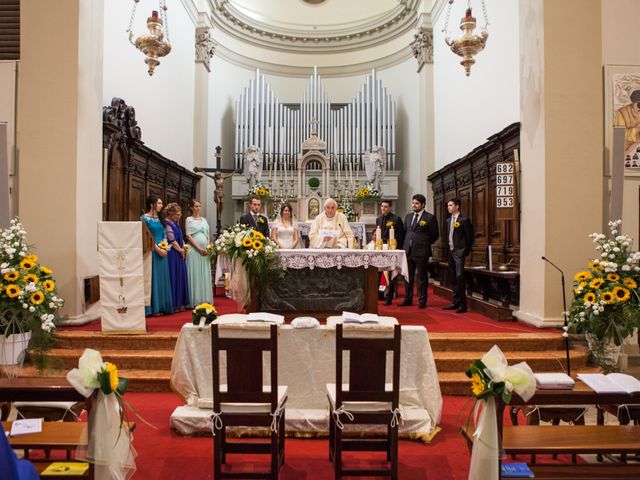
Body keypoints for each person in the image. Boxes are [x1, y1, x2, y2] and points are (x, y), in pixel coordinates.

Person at [400, 193, 439, 309]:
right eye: (413, 203)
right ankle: (408, 299)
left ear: (423, 205)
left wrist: (424, 243)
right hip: (408, 250)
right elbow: (405, 232)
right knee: (408, 277)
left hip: (422, 251)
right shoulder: (408, 217)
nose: (414, 205)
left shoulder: (429, 217)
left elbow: (435, 235)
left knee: (421, 277)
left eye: (416, 203)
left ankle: (422, 301)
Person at [140, 195, 173, 316]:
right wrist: (157, 248)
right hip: (152, 252)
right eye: (159, 203)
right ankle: (153, 308)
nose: (161, 205)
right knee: (153, 279)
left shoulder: (159, 219)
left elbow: (164, 233)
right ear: (151, 204)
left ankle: (163, 306)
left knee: (161, 278)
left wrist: (165, 245)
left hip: (162, 251)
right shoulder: (144, 218)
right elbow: (145, 236)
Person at [442, 197, 474, 313]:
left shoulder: (464, 220)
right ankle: (455, 302)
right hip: (451, 251)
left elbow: (469, 238)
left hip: (459, 252)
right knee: (453, 277)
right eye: (448, 206)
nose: (448, 207)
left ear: (457, 206)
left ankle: (463, 305)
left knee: (460, 276)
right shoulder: (448, 220)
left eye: (450, 205)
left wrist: (464, 251)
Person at [376, 199, 405, 305]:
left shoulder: (396, 219)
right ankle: (378, 294)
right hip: (381, 248)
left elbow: (401, 235)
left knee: (392, 273)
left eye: (386, 207)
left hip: (392, 249)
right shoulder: (378, 219)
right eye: (382, 206)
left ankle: (389, 297)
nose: (383, 208)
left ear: (390, 208)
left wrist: (398, 248)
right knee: (378, 272)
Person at [185, 199, 213, 306]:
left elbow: (208, 234)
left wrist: (208, 246)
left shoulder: (204, 220)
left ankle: (205, 298)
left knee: (204, 274)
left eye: (199, 206)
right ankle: (195, 299)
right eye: (196, 206)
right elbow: (188, 236)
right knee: (196, 274)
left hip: (205, 251)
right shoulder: (189, 219)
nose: (198, 208)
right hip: (194, 250)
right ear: (191, 208)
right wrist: (199, 249)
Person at [164, 202, 190, 312]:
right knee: (174, 277)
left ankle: (180, 303)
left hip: (180, 253)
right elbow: (172, 239)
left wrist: (184, 247)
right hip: (173, 254)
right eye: (177, 215)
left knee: (180, 277)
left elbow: (180, 237)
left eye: (179, 215)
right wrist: (180, 250)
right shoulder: (167, 224)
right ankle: (174, 304)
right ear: (171, 213)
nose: (179, 217)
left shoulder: (176, 223)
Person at [614, 89, 640, 154]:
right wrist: (636, 130)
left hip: (635, 146)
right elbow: (618, 134)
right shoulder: (622, 112)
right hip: (622, 147)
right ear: (633, 102)